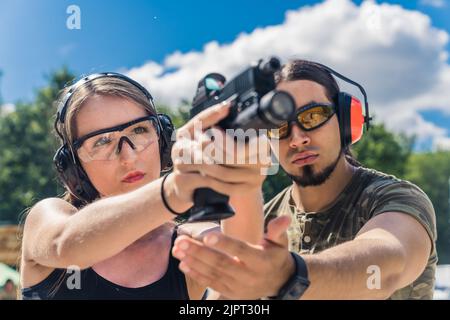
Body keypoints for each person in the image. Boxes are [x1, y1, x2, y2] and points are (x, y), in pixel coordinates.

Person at [172, 59, 437, 300]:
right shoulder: (261, 221)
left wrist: (287, 275)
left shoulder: (396, 198)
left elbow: (388, 267)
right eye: (279, 126)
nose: (297, 139)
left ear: (346, 119)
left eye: (313, 116)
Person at [20, 72, 265, 299]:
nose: (128, 156)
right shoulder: (48, 218)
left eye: (139, 130)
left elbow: (244, 278)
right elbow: (68, 245)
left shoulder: (189, 242)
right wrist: (175, 189)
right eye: (102, 141)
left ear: (162, 140)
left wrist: (243, 180)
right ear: (74, 167)